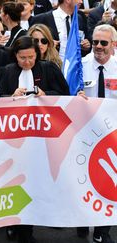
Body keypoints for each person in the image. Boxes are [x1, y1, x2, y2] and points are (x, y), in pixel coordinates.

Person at [77, 24, 117, 243]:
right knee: (83, 181)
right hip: (85, 135)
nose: (98, 47)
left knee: (110, 182)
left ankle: (103, 232)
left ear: (113, 44)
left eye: (104, 43)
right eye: (95, 42)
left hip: (113, 136)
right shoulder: (80, 66)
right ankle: (82, 221)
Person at [0, 36, 68, 97]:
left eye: (31, 57)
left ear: (37, 54)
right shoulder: (6, 71)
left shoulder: (48, 68)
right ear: (16, 55)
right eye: (22, 58)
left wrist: (45, 94)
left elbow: (64, 93)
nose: (27, 62)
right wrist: (12, 96)